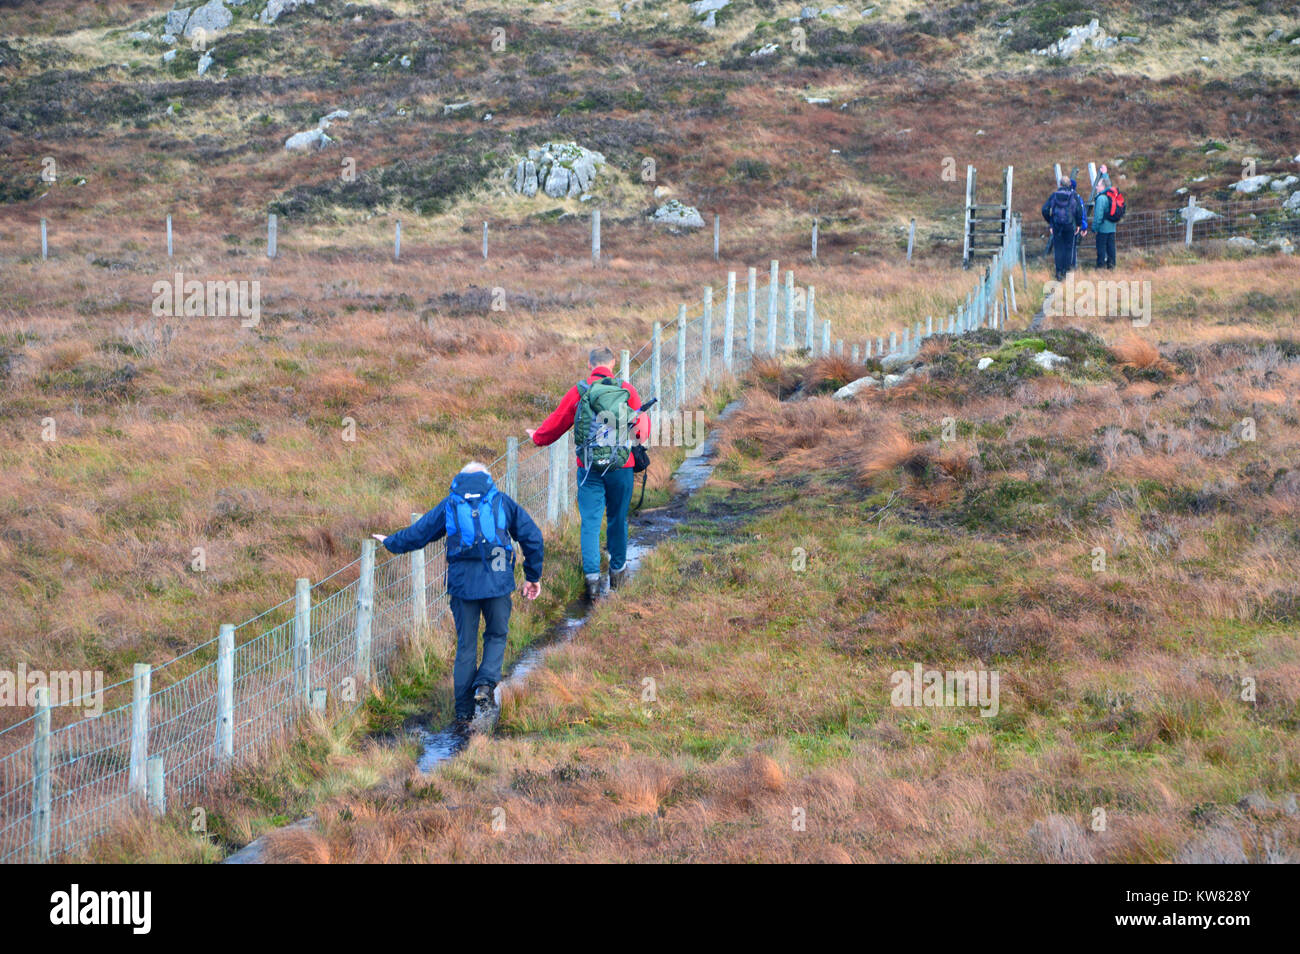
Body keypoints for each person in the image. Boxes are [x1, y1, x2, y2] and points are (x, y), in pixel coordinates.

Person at [374, 462, 544, 726]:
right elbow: (532, 536)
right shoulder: (500, 501)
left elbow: (419, 534)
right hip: (498, 580)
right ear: (487, 477)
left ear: (460, 478)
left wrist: (390, 542)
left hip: (463, 584)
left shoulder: (451, 504)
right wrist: (532, 576)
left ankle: (463, 714)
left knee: (466, 644)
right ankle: (485, 688)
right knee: (496, 635)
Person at [528, 347, 650, 603]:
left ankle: (593, 581)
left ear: (589, 364)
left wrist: (537, 437)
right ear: (613, 363)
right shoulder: (627, 390)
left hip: (589, 468)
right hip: (621, 465)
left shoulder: (579, 391)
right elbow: (641, 431)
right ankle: (618, 573)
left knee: (591, 523)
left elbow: (557, 423)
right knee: (618, 519)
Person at [1041, 176, 1086, 281]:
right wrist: (1078, 225)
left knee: (1059, 249)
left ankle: (1058, 273)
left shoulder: (1054, 196)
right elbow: (1079, 211)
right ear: (1070, 184)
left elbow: (1045, 210)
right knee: (1069, 248)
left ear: (1060, 184)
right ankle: (1067, 272)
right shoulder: (1074, 196)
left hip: (1057, 226)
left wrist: (1051, 222)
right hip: (1070, 226)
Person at [1092, 175, 1118, 269]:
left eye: (1098, 185)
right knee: (1111, 248)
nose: (1096, 187)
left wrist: (1095, 227)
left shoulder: (1101, 198)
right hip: (1112, 227)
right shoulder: (1112, 196)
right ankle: (1111, 266)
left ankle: (1100, 267)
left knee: (1101, 248)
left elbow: (1098, 216)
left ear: (1103, 187)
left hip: (1103, 228)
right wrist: (1105, 174)